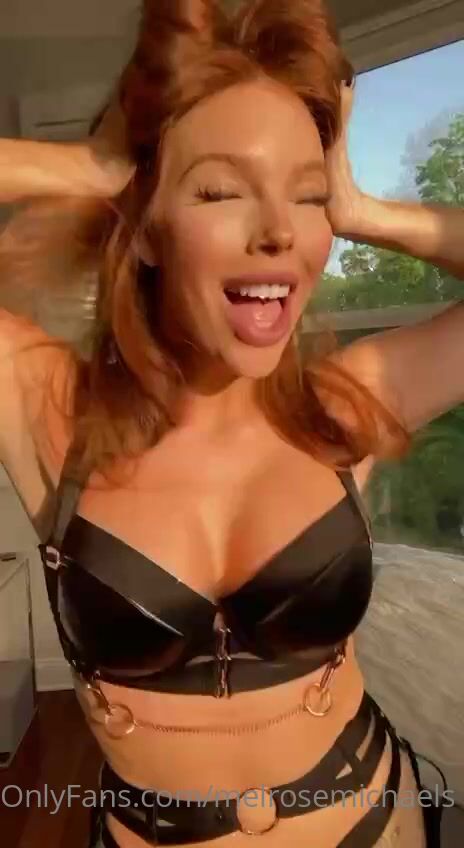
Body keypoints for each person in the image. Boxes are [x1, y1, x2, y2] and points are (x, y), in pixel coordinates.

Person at [0, 1, 462, 846]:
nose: (281, 231)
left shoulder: (345, 406)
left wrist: (362, 209)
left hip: (376, 821)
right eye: (220, 190)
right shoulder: (48, 410)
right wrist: (91, 168)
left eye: (307, 195)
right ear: (144, 228)